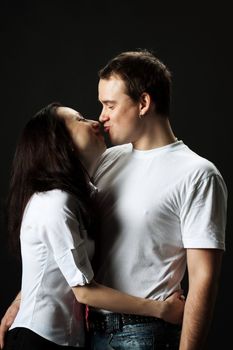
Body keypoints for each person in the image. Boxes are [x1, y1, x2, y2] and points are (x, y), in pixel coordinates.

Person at [0, 102, 185, 350]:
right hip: (40, 341)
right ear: (60, 142)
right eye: (80, 120)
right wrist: (162, 310)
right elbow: (84, 292)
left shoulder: (79, 196)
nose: (95, 122)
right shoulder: (55, 202)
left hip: (68, 340)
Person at [86, 50, 228, 349]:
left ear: (143, 103)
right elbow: (62, 234)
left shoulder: (197, 174)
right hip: (86, 328)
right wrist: (24, 301)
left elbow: (203, 279)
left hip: (146, 335)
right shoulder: (106, 161)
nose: (101, 116)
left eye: (110, 105)